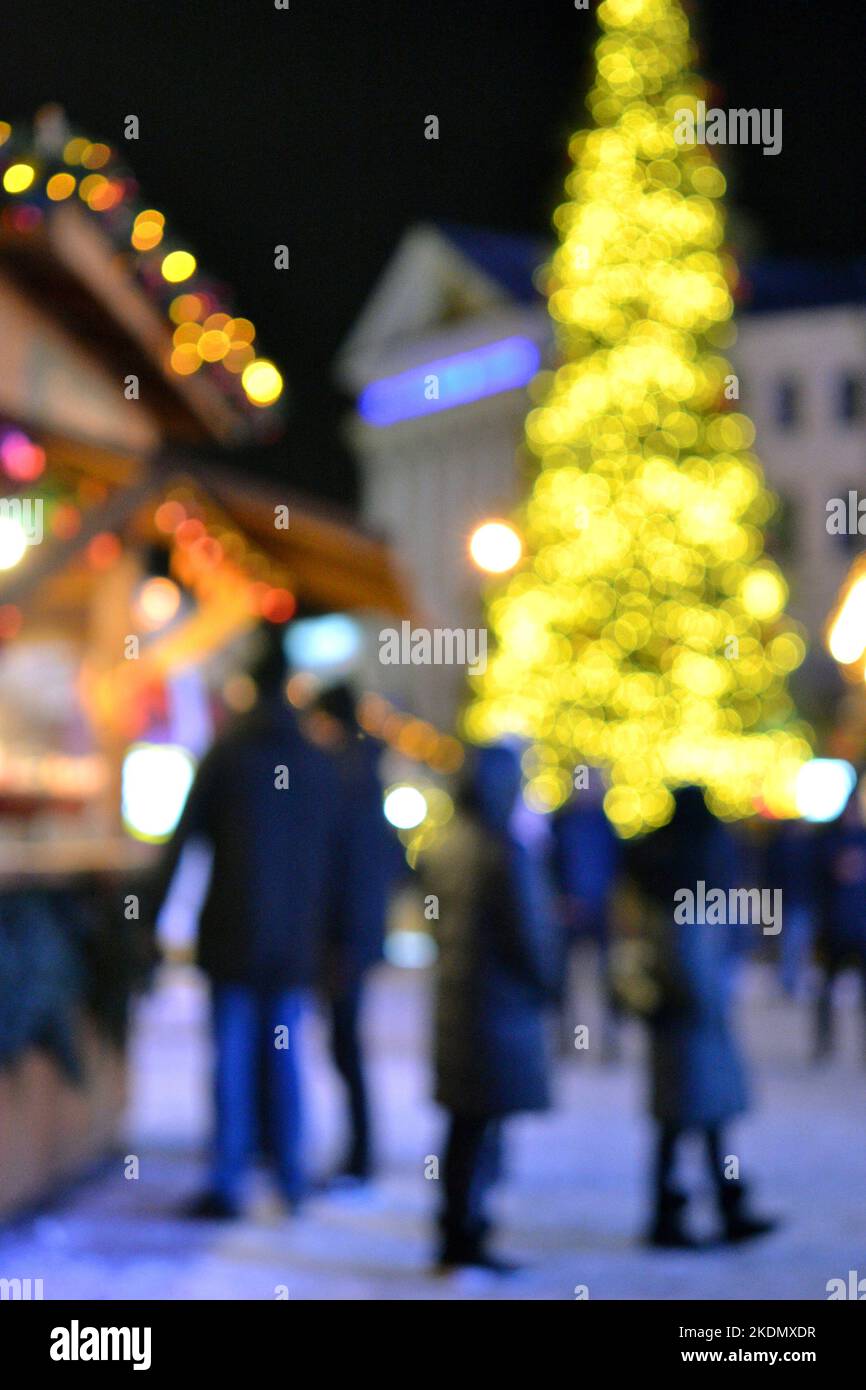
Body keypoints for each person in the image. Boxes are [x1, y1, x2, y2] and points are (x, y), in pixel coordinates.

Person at [148, 625, 344, 1219]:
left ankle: (228, 1180)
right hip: (292, 942)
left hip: (232, 935)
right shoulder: (315, 762)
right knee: (284, 1055)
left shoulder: (227, 756)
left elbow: (181, 845)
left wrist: (147, 921)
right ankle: (289, 1175)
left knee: (231, 1058)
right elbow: (336, 859)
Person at [418, 743, 562, 1273]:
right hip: (499, 1010)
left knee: (464, 1125)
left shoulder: (447, 845)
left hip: (458, 1004)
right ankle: (467, 1235)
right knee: (482, 1129)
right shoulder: (503, 852)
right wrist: (549, 984)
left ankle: (457, 1230)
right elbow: (530, 935)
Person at [623, 787, 776, 1249]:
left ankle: (707, 1208)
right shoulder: (691, 884)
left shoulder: (662, 870)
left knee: (691, 1121)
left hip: (680, 1026)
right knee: (692, 1120)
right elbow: (692, 963)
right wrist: (707, 1008)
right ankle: (684, 1214)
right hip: (693, 1025)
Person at [308, 683, 401, 1184]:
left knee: (346, 1046)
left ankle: (360, 1156)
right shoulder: (365, 776)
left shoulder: (345, 779)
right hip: (355, 938)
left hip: (347, 941)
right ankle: (359, 1153)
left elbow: (347, 872)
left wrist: (341, 944)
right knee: (345, 1045)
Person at [552, 772, 622, 1058]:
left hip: (601, 908)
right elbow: (552, 863)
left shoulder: (605, 825)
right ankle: (566, 1037)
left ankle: (609, 1038)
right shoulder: (563, 822)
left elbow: (616, 866)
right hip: (570, 909)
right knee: (565, 979)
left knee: (606, 977)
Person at [814, 786, 866, 1061]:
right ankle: (824, 1043)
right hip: (834, 927)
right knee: (825, 990)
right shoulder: (828, 840)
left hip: (861, 928)